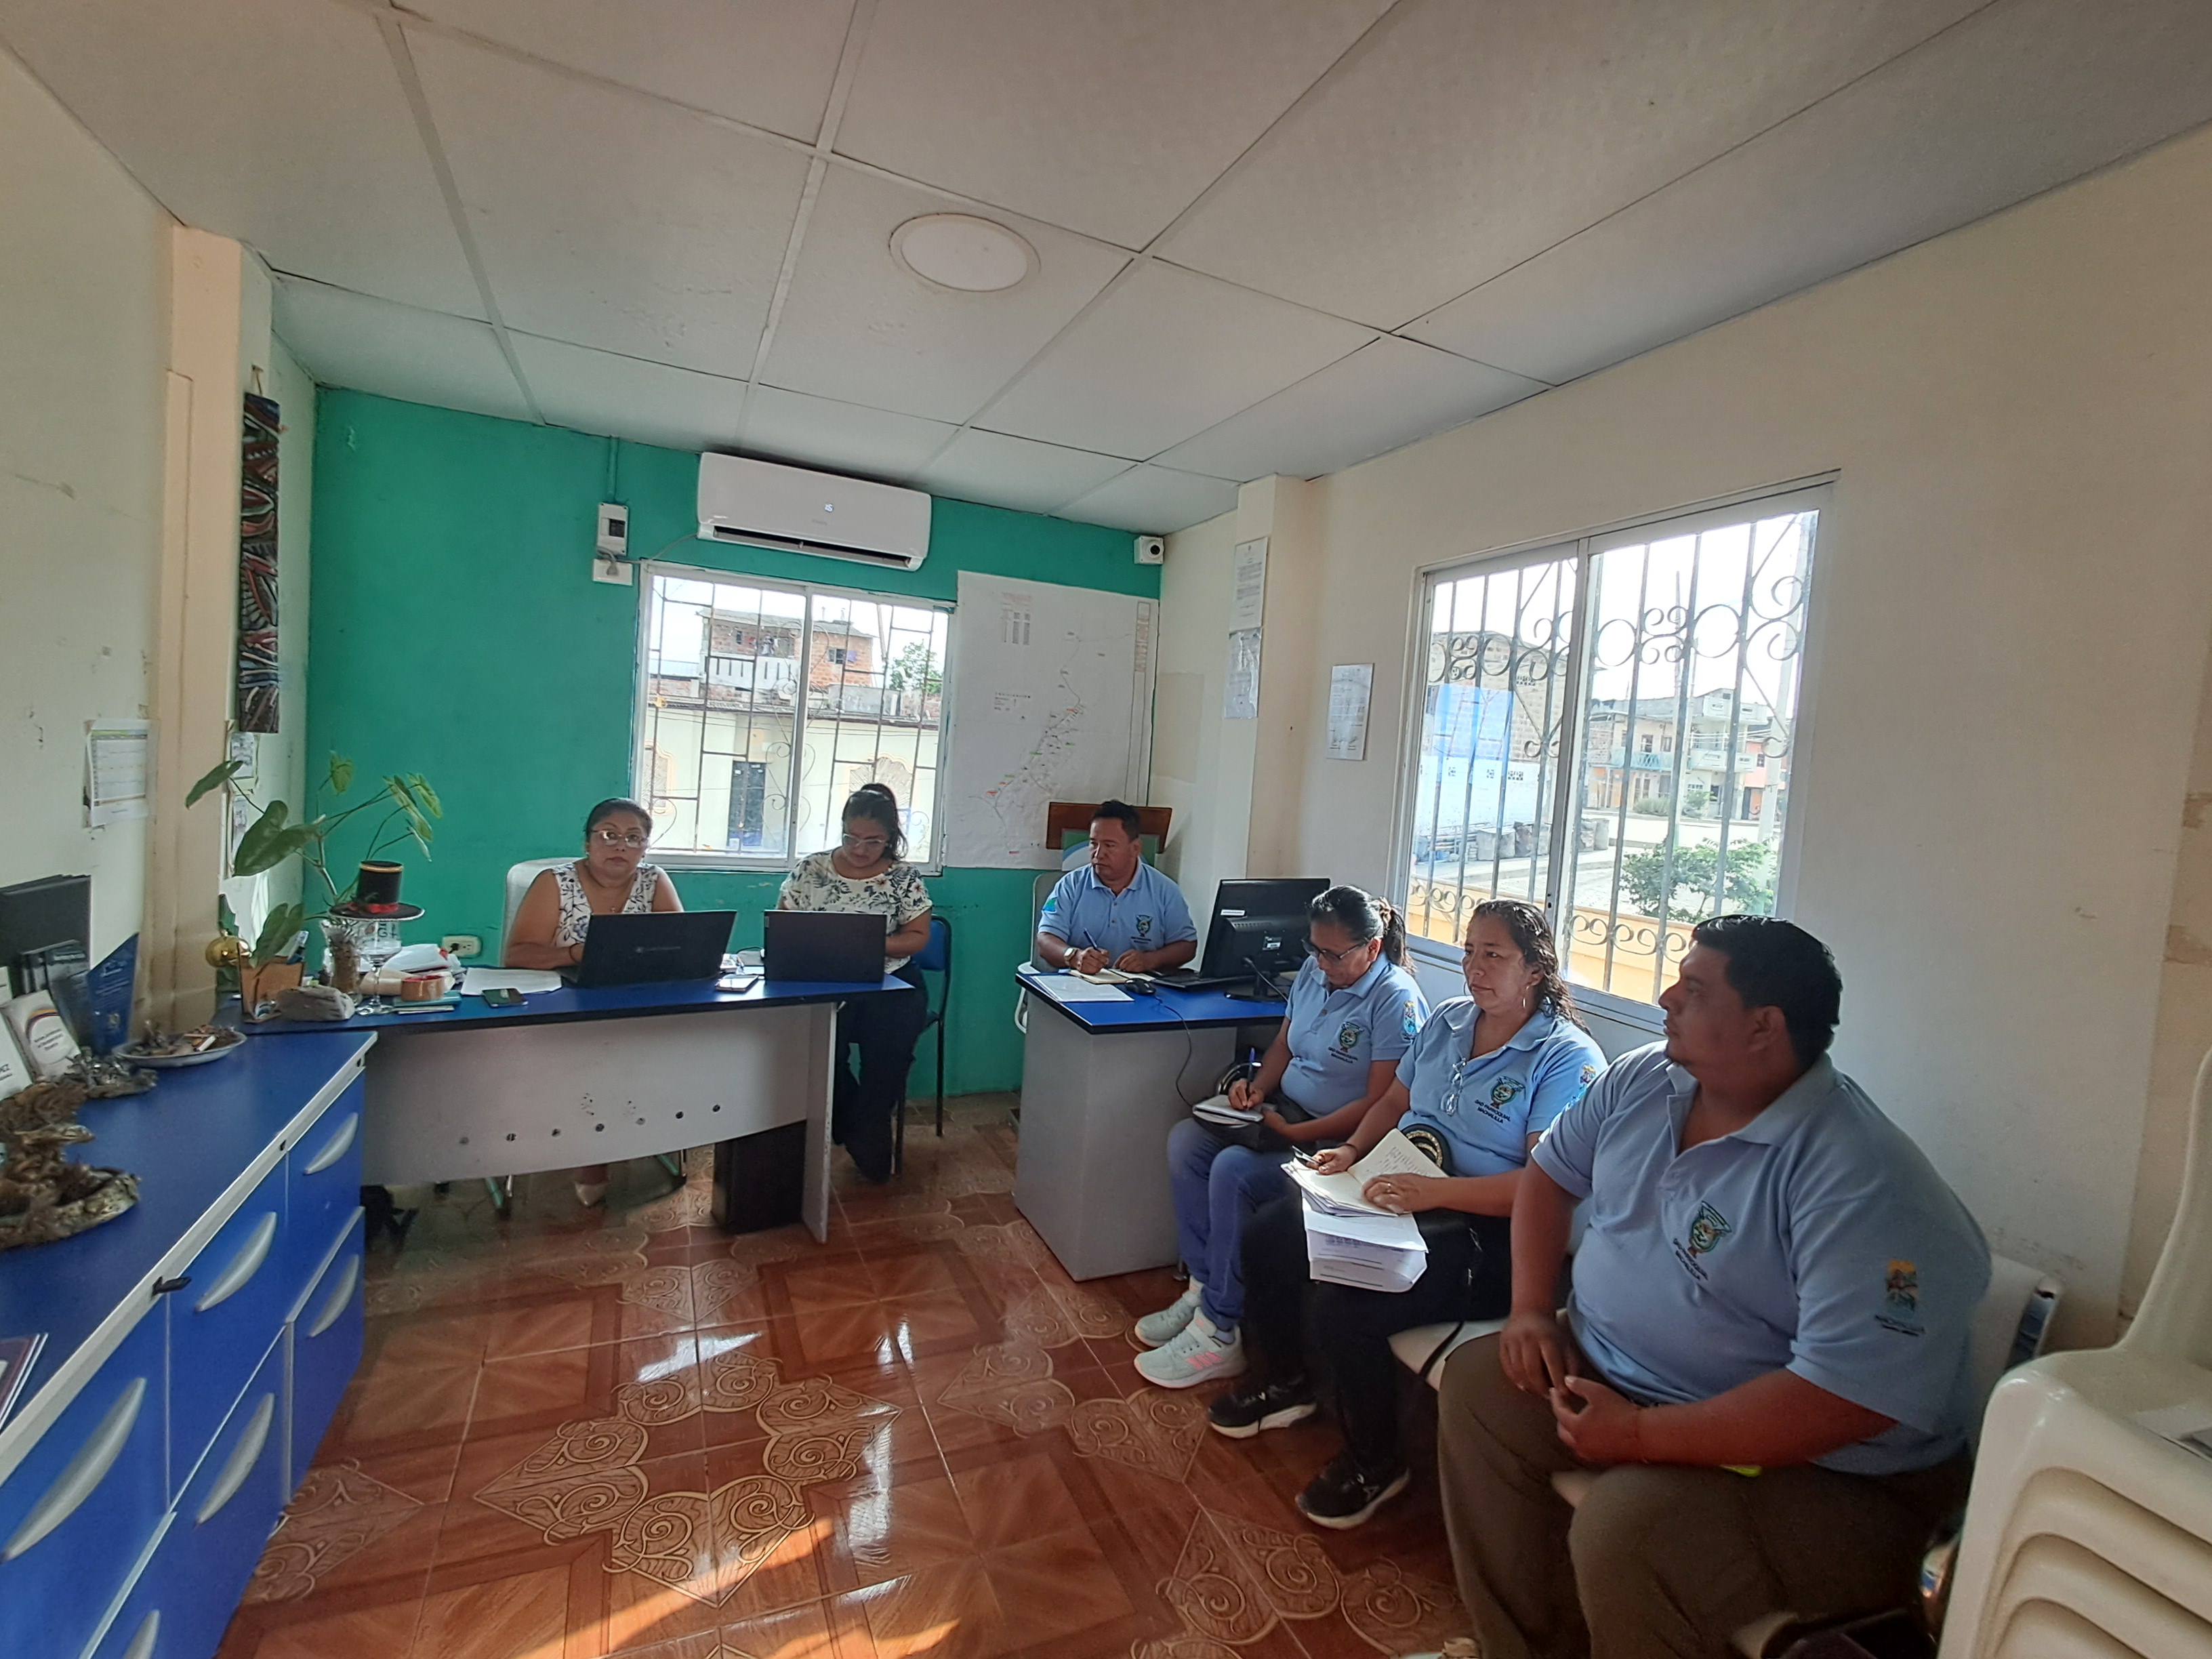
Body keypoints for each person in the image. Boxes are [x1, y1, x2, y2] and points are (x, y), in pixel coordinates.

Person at [1437, 916, 1990, 1659]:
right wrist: (1533, 1311)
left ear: (1765, 1027)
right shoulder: (1645, 1079)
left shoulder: (1863, 1182)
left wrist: (1640, 1437)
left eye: (1694, 990)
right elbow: (1549, 1177)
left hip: (1829, 1475)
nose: (1666, 998)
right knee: (1481, 1383)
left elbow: (1841, 1400)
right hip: (1621, 1372)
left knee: (1629, 1528)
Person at [1216, 899, 1604, 1530]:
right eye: (1470, 952)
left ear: (1535, 969)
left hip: (1488, 1237)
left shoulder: (1565, 1058)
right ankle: (1286, 1381)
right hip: (1404, 1194)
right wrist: (1350, 1152)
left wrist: (1435, 1196)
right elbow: (1395, 1100)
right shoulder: (1450, 1020)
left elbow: (1544, 1189)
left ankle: (1375, 1462)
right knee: (1272, 1234)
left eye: (1494, 955)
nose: (1475, 968)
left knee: (1348, 1302)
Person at [1134, 884, 1428, 1388]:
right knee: (1187, 1142)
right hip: (1285, 1116)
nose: (1322, 963)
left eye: (1334, 955)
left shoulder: (1394, 1000)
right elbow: (1283, 1047)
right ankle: (1203, 1287)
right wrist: (1256, 1087)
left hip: (1341, 1145)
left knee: (1233, 1170)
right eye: (1314, 949)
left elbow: (1381, 1103)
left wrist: (1298, 1131)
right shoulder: (1314, 974)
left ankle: (1220, 1329)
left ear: (1372, 948)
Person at [506, 797, 683, 1206]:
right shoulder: (554, 882)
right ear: (588, 842)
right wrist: (576, 953)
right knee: (596, 1052)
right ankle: (594, 1155)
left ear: (645, 847)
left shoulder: (654, 880)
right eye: (608, 835)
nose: (620, 845)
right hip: (565, 1005)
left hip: (635, 1003)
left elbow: (680, 946)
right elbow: (518, 955)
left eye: (634, 838)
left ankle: (643, 1133)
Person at [778, 783, 933, 1184]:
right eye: (851, 838)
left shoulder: (904, 877)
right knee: (820, 1053)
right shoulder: (811, 869)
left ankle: (868, 1127)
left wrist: (867, 944)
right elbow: (783, 925)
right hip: (824, 982)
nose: (860, 849)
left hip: (891, 980)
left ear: (890, 838)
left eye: (873, 841)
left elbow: (918, 938)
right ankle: (856, 1124)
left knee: (889, 1060)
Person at [1033, 800, 1197, 975]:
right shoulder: (1070, 885)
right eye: (1093, 844)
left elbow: (1187, 946)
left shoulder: (1165, 890)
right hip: (1079, 984)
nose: (1098, 854)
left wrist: (1150, 960)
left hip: (1140, 984)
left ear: (1135, 849)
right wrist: (1074, 956)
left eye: (1109, 846)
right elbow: (1045, 939)